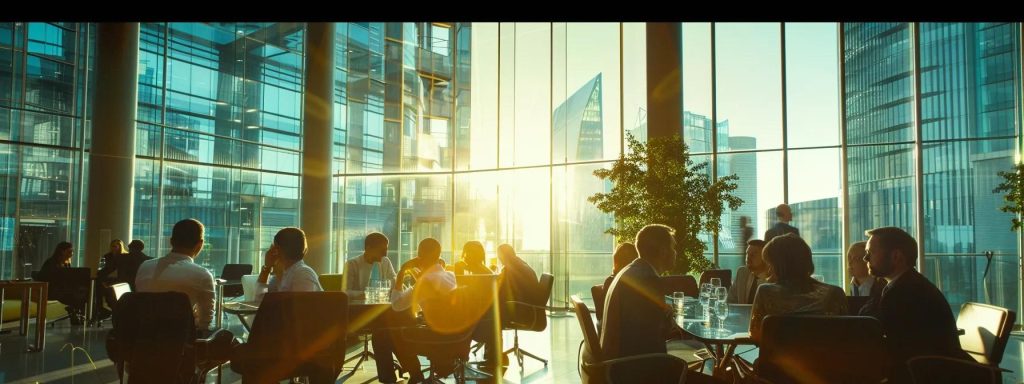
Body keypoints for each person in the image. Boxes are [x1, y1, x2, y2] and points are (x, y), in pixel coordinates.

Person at [601, 224, 717, 384]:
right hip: (640, 372)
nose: (676, 253)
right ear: (663, 251)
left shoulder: (631, 271)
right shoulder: (648, 280)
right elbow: (662, 333)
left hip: (621, 364)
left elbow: (643, 324)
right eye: (673, 248)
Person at [858, 227, 969, 383]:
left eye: (871, 252)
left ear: (896, 256)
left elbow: (871, 325)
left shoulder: (908, 292)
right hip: (921, 369)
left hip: (921, 374)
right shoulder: (903, 284)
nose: (865, 258)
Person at [372, 238, 458, 384]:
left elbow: (397, 304)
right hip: (453, 336)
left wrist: (401, 273)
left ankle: (398, 378)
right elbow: (429, 288)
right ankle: (415, 373)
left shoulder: (425, 281)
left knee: (383, 334)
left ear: (421, 255)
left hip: (433, 337)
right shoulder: (449, 276)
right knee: (399, 326)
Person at [749, 234, 846, 342]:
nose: (768, 271)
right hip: (825, 358)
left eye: (771, 265)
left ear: (780, 266)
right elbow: (846, 334)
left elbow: (755, 334)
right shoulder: (834, 293)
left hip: (778, 358)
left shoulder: (765, 292)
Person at [135, 218, 216, 334]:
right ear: (200, 245)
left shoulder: (145, 267)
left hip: (141, 338)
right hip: (179, 343)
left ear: (171, 241)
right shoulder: (202, 275)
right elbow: (205, 321)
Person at [256, 227, 322, 297]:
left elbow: (298, 306)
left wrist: (273, 271)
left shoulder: (303, 273)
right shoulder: (283, 274)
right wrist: (267, 269)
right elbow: (260, 300)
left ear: (277, 249)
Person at [38, 242, 87, 325]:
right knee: (78, 295)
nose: (72, 254)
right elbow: (54, 280)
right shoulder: (51, 263)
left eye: (72, 252)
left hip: (61, 289)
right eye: (69, 252)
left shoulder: (65, 263)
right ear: (62, 252)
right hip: (52, 290)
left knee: (83, 292)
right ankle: (74, 312)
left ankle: (75, 312)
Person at [343, 232, 397, 300]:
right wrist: (369, 294)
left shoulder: (385, 261)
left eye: (386, 250)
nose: (385, 254)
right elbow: (345, 292)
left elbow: (394, 284)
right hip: (358, 307)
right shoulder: (352, 265)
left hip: (381, 304)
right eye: (382, 250)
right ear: (368, 249)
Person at [728, 239, 767, 304]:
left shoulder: (772, 277)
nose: (748, 258)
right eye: (747, 254)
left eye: (753, 255)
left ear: (765, 257)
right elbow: (730, 300)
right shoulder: (742, 272)